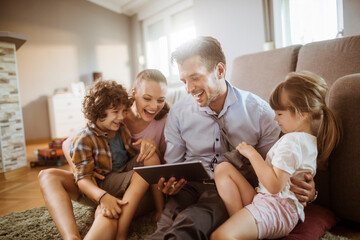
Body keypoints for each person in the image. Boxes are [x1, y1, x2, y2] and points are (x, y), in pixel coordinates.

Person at [146, 36, 317, 240]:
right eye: (184, 81)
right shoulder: (178, 113)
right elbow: (173, 164)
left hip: (227, 189)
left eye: (195, 78)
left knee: (192, 222)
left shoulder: (260, 112)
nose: (189, 88)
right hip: (189, 185)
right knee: (165, 224)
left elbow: (276, 167)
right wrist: (169, 183)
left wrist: (311, 192)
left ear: (219, 70)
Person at [38, 69, 169, 240]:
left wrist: (152, 148)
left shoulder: (158, 121)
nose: (153, 106)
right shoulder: (112, 117)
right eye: (147, 98)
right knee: (47, 175)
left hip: (131, 187)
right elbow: (68, 144)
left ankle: (117, 225)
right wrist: (87, 178)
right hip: (99, 184)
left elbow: (159, 165)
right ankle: (71, 236)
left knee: (107, 215)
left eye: (160, 100)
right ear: (134, 95)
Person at [210, 71, 341, 240]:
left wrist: (252, 154)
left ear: (302, 114)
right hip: (270, 202)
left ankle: (239, 229)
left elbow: (274, 185)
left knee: (219, 236)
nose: (275, 118)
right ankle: (242, 226)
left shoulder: (292, 142)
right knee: (223, 169)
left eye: (280, 114)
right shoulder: (306, 141)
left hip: (276, 208)